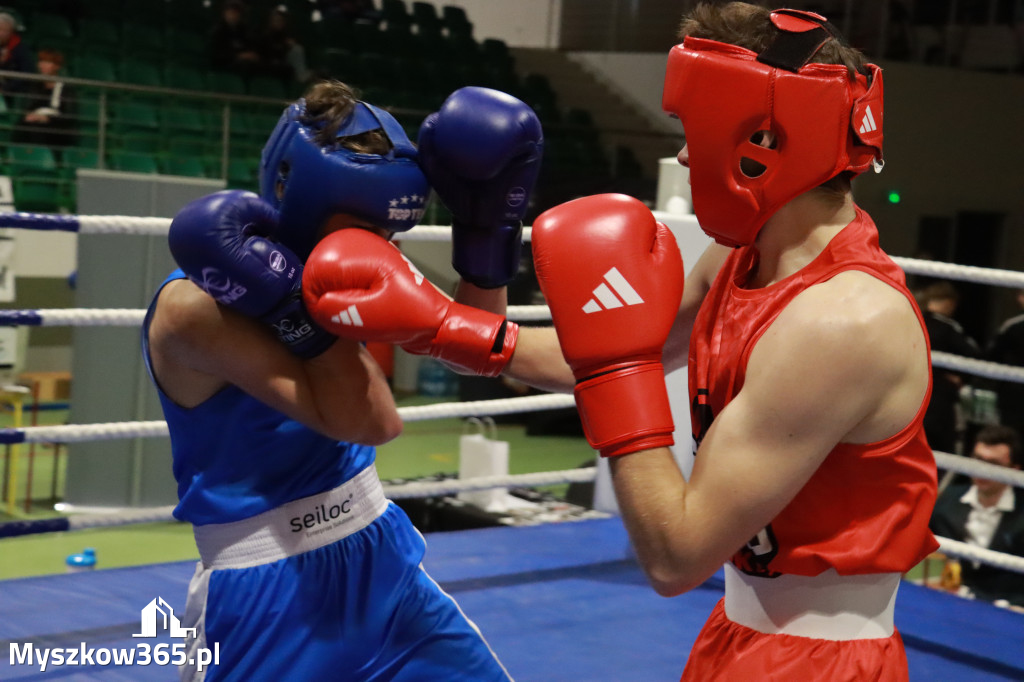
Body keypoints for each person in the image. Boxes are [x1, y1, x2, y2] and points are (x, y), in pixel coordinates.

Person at [300, 4, 940, 679]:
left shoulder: (841, 320)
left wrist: (615, 366)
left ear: (763, 137)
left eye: (693, 128)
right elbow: (605, 352)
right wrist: (441, 326)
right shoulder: (740, 260)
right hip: (741, 629)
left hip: (823, 660)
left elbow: (675, 553)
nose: (686, 153)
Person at [143, 79, 540, 680]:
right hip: (268, 591)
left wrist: (484, 235)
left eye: (388, 233)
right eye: (365, 229)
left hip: (379, 553)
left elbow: (472, 350)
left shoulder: (355, 257)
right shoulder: (196, 308)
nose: (380, 248)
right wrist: (292, 309)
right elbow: (370, 420)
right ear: (295, 191)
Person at [930, 424, 1024, 608]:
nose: (983, 470)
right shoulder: (947, 500)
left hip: (1007, 611)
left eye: (994, 464)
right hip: (948, 602)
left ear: (1014, 469)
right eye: (979, 459)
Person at [916, 280, 981, 456]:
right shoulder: (948, 327)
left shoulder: (912, 320)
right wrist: (960, 378)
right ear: (949, 303)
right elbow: (974, 355)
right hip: (938, 399)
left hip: (908, 394)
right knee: (941, 450)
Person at [13, 48, 77, 148]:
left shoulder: (66, 89)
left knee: (37, 128)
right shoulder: (35, 86)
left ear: (56, 66)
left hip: (57, 126)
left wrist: (47, 119)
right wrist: (31, 115)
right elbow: (29, 106)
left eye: (47, 62)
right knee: (23, 125)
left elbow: (68, 115)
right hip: (35, 122)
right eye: (41, 62)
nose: (42, 65)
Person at [988, 288, 1024, 438]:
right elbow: (991, 357)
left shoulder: (1012, 326)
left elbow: (991, 356)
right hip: (1014, 397)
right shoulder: (1012, 326)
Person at [208, 0, 263, 78]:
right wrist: (239, 56)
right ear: (225, 13)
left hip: (241, 64)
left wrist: (252, 56)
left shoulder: (242, 31)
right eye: (231, 11)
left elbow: (247, 47)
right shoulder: (218, 31)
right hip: (222, 67)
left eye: (236, 12)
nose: (234, 15)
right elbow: (217, 54)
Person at [0, 12, 32, 106]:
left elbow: (27, 73)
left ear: (11, 32)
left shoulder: (20, 48)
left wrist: (5, 88)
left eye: (4, 30)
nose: (0, 33)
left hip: (8, 92)